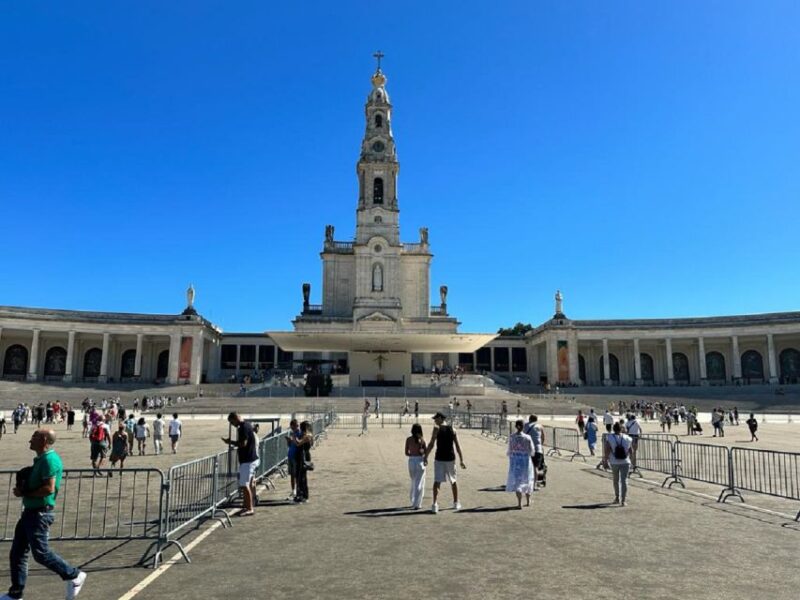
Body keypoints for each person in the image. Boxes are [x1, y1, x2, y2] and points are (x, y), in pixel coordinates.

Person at [4, 429, 87, 600]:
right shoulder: (41, 459)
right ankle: (15, 593)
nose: (30, 440)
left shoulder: (50, 460)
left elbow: (49, 488)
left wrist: (25, 493)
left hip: (40, 513)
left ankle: (74, 575)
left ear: (43, 439)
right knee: (18, 553)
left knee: (41, 553)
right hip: (30, 512)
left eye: (33, 436)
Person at [423, 412, 466, 514]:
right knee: (453, 481)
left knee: (437, 481)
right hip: (450, 458)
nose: (434, 421)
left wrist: (426, 456)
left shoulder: (436, 429)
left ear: (440, 418)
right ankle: (455, 503)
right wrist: (461, 460)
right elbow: (457, 446)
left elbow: (431, 444)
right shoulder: (453, 429)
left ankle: (435, 504)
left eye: (435, 419)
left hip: (439, 458)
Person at [221, 412, 259, 516]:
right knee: (247, 484)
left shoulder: (243, 427)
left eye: (232, 422)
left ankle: (249, 508)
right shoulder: (247, 425)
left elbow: (243, 443)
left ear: (236, 418)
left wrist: (231, 442)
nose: (232, 425)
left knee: (244, 485)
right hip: (250, 459)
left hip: (248, 460)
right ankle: (246, 506)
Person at [506, 420, 535, 508]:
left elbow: (509, 450)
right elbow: (532, 450)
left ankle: (519, 503)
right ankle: (528, 500)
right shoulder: (527, 437)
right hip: (525, 460)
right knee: (528, 479)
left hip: (515, 460)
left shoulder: (512, 437)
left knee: (517, 481)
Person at [603, 422, 632, 506]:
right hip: (625, 461)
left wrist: (605, 460)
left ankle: (617, 497)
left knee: (616, 480)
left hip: (614, 461)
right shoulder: (627, 438)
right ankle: (623, 500)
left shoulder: (610, 438)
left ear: (613, 429)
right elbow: (631, 450)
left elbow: (607, 450)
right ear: (621, 429)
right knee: (624, 480)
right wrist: (629, 457)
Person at [405, 424, 427, 510]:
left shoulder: (408, 439)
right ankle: (417, 503)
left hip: (411, 461)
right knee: (420, 482)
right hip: (420, 460)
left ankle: (412, 499)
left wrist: (412, 454)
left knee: (413, 481)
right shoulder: (422, 440)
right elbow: (425, 452)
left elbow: (406, 453)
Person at [291, 421, 314, 503]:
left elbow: (298, 443)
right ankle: (301, 494)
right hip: (302, 456)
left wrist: (294, 437)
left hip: (303, 457)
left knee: (301, 477)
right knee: (300, 476)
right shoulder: (307, 435)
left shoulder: (307, 435)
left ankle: (303, 495)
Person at [523, 415, 545, 490]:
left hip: (527, 448)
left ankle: (526, 482)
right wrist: (540, 445)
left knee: (527, 467)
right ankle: (534, 485)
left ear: (529, 419)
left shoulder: (525, 425)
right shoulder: (540, 426)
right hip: (537, 449)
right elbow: (543, 438)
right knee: (535, 467)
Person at [285, 419, 301, 499]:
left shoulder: (299, 433)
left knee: (297, 475)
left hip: (296, 456)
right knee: (292, 475)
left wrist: (293, 439)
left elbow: (298, 443)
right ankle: (293, 490)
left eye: (296, 425)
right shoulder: (293, 433)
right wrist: (288, 441)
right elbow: (290, 445)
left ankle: (298, 491)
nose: (295, 427)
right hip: (290, 456)